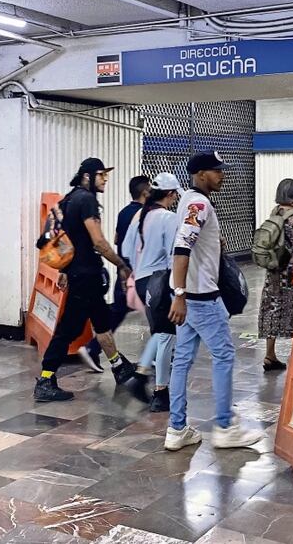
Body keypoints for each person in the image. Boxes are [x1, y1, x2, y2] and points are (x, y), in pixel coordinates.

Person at [165, 151, 262, 451]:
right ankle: (224, 426)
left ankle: (177, 428)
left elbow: (190, 243)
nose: (222, 175)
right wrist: (180, 295)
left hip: (190, 295)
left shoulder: (188, 201)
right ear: (200, 174)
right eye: (216, 171)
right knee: (224, 356)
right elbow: (182, 247)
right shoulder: (198, 203)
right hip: (201, 298)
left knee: (182, 361)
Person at [35, 158, 138, 403]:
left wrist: (64, 270)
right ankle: (45, 379)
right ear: (87, 176)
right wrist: (122, 265)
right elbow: (99, 242)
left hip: (80, 273)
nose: (105, 180)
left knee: (102, 321)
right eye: (101, 175)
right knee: (68, 329)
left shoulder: (69, 199)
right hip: (85, 275)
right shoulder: (87, 200)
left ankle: (118, 366)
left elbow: (70, 239)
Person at [122, 173, 183, 411]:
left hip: (142, 279)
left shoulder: (140, 215)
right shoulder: (169, 218)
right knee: (167, 335)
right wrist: (178, 288)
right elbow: (174, 255)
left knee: (159, 332)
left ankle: (139, 377)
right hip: (160, 280)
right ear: (170, 194)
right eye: (176, 193)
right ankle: (160, 392)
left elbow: (127, 249)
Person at [79, 175, 151, 373]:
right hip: (137, 271)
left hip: (124, 269)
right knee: (152, 312)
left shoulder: (124, 213)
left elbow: (117, 238)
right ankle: (93, 348)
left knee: (118, 312)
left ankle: (93, 348)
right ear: (145, 192)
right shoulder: (146, 214)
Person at [258, 179, 293, 373]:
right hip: (291, 272)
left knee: (272, 308)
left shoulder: (275, 212)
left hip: (273, 270)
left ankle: (270, 354)